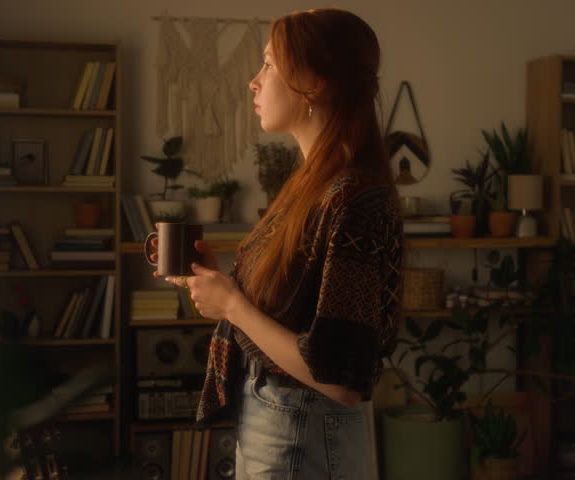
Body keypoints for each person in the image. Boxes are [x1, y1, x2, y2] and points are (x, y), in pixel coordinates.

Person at [149, 8, 403, 479]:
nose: (254, 80)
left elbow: (343, 379)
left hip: (302, 431)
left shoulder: (352, 200)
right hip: (281, 420)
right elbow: (296, 306)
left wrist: (233, 306)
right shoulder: (315, 185)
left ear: (313, 81)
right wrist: (224, 284)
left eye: (268, 63)